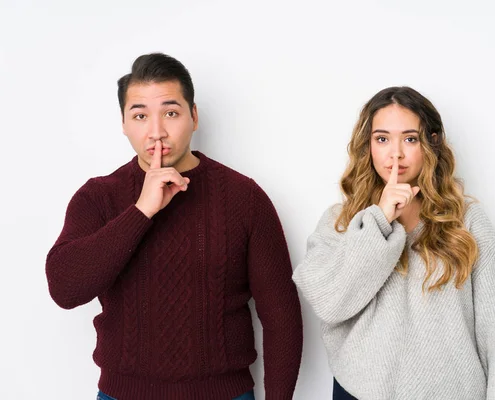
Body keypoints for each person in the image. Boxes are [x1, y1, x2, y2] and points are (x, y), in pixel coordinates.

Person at [46, 53, 303, 400]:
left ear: (194, 116)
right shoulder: (98, 197)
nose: (157, 132)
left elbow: (281, 315)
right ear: (123, 123)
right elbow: (65, 289)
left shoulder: (245, 198)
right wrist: (141, 211)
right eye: (140, 115)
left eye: (171, 112)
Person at [292, 86, 495, 399]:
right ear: (368, 146)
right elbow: (330, 303)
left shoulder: (467, 221)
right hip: (359, 392)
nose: (396, 154)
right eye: (382, 139)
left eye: (410, 138)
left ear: (431, 143)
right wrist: (379, 219)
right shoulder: (340, 222)